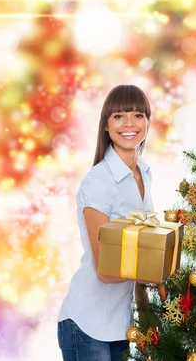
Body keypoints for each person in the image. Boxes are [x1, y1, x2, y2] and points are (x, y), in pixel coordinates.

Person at [57, 84, 153, 361]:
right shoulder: (99, 182)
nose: (129, 124)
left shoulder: (144, 173)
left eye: (138, 115)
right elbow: (104, 269)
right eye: (119, 116)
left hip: (120, 326)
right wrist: (151, 270)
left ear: (147, 121)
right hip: (87, 325)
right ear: (106, 126)